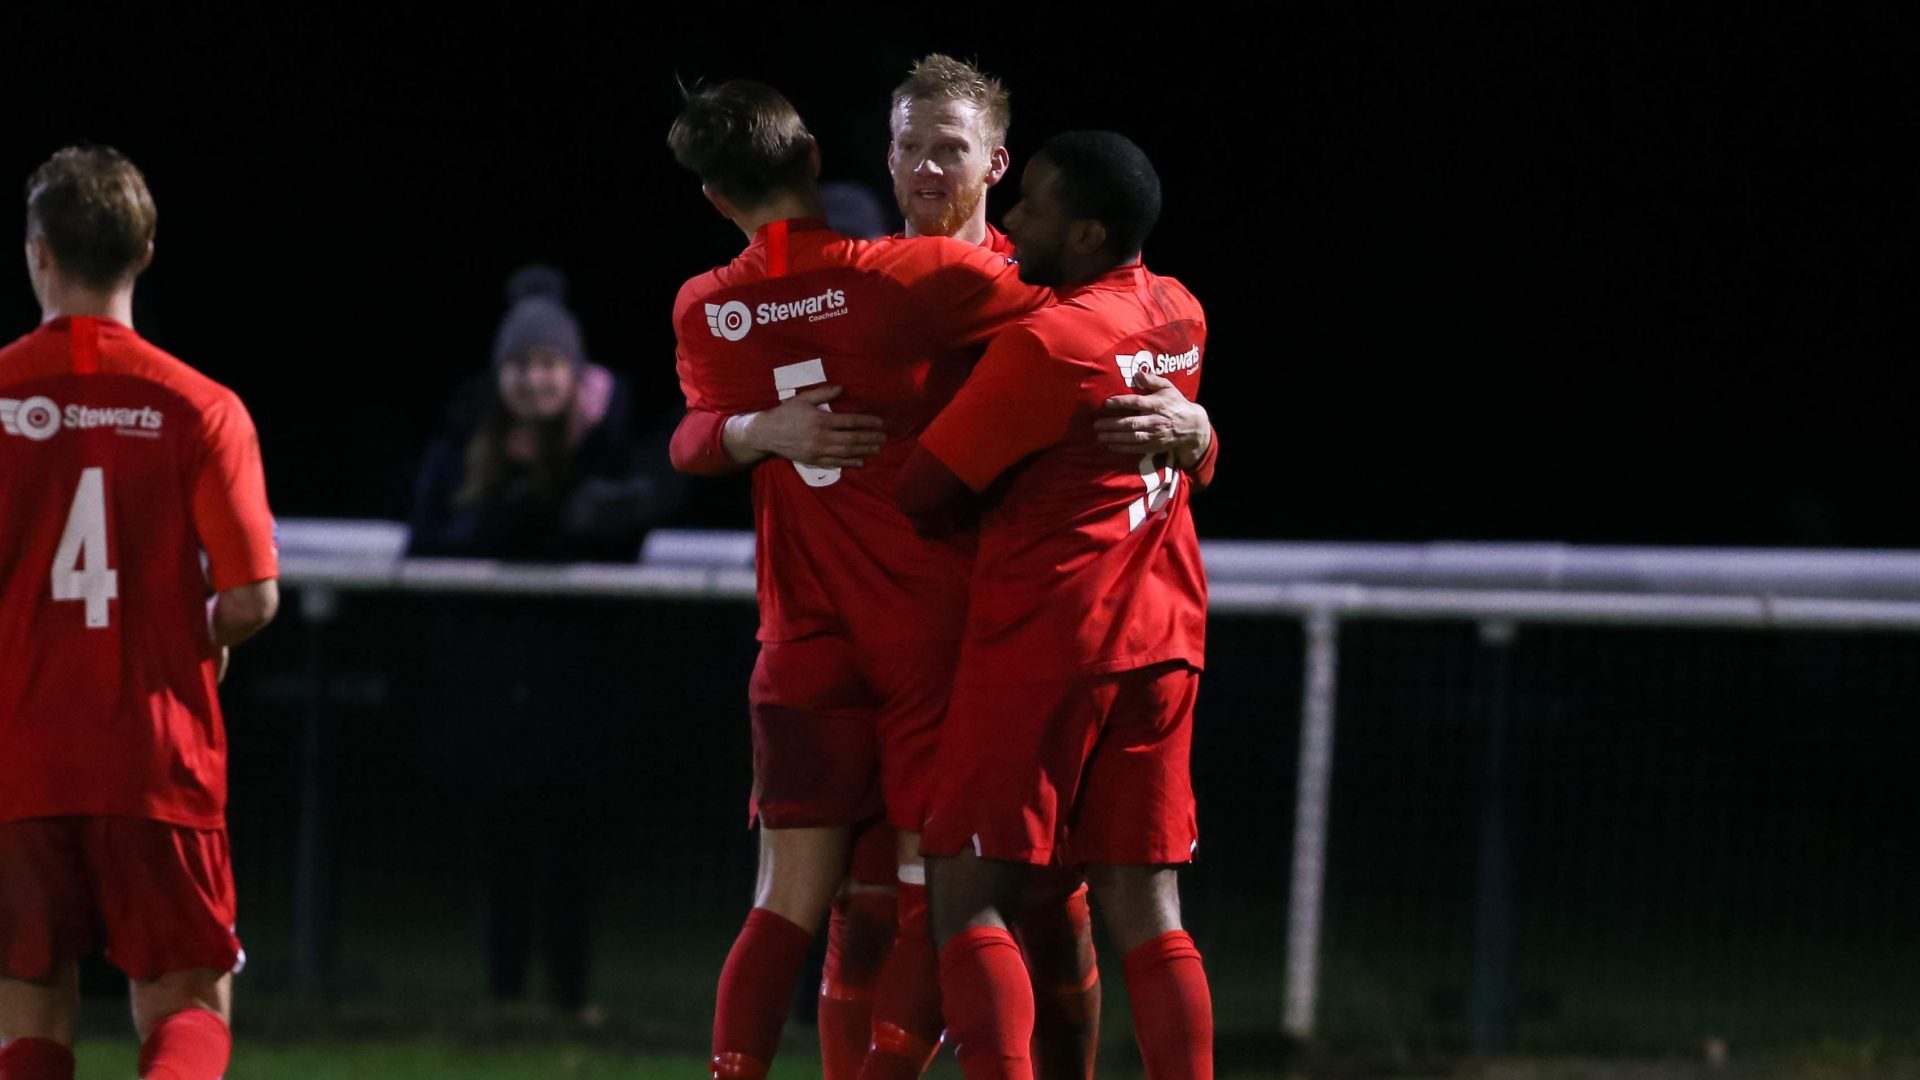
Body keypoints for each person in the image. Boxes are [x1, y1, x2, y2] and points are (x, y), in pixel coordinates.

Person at [666, 78, 1054, 1080]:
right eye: (910, 147)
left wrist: (754, 430)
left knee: (804, 899)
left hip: (804, 639)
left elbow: (689, 441)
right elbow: (1101, 315)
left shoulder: (706, 303)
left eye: (949, 149)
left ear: (713, 197)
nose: (927, 169)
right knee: (928, 899)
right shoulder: (903, 276)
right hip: (931, 626)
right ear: (830, 161)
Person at [899, 131, 1217, 1080]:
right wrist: (1202, 440)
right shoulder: (1181, 310)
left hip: (1048, 645)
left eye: (1032, 204)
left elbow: (925, 489)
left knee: (969, 891)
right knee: (1146, 907)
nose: (1016, 218)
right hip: (1163, 641)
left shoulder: (1048, 343)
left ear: (1084, 232)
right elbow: (1179, 448)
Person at [0, 146, 279, 1080]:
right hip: (156, 757)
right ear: (146, 252)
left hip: (17, 757)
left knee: (31, 1002)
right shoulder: (201, 407)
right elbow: (250, 597)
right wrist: (191, 635)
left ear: (39, 253)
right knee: (187, 1000)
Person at [406, 264, 683, 1021]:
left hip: (577, 693)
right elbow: (427, 542)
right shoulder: (466, 441)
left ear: (573, 370)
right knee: (500, 853)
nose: (535, 380)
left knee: (571, 855)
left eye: (549, 364)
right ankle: (502, 999)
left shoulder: (611, 448)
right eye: (522, 366)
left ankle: (570, 1000)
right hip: (488, 690)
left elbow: (634, 525)